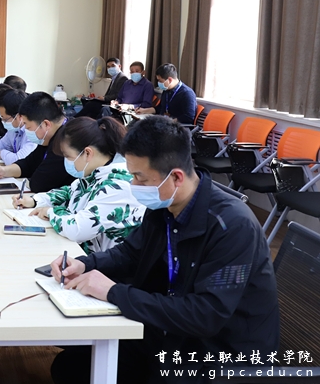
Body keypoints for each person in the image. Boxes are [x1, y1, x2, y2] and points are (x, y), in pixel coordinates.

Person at [48, 116, 279, 383]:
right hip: (173, 330)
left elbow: (206, 315)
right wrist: (86, 264)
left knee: (81, 372)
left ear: (176, 177)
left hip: (217, 355)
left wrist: (113, 292)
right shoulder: (165, 205)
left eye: (139, 177)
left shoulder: (232, 227)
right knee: (71, 366)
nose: (133, 185)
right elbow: (132, 252)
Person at [12, 117, 145, 253]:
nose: (66, 162)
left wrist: (50, 212)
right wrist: (35, 200)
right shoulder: (95, 172)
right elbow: (70, 192)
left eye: (68, 156)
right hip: (82, 252)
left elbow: (78, 229)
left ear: (87, 153)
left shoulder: (117, 185)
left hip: (102, 262)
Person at [0, 92, 74, 193]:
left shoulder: (66, 141)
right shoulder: (49, 136)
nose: (26, 130)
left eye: (28, 127)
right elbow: (28, 164)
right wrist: (3, 171)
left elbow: (39, 184)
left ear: (46, 124)